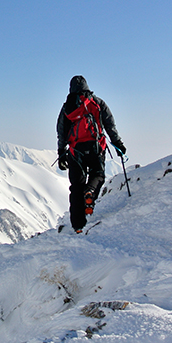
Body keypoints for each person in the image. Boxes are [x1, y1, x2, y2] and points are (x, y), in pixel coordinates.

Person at [56, 75, 126, 233]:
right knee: (98, 175)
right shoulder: (98, 103)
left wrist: (61, 153)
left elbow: (61, 131)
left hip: (75, 151)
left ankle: (77, 226)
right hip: (96, 148)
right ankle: (91, 192)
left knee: (76, 187)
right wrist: (118, 144)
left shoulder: (68, 107)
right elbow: (110, 125)